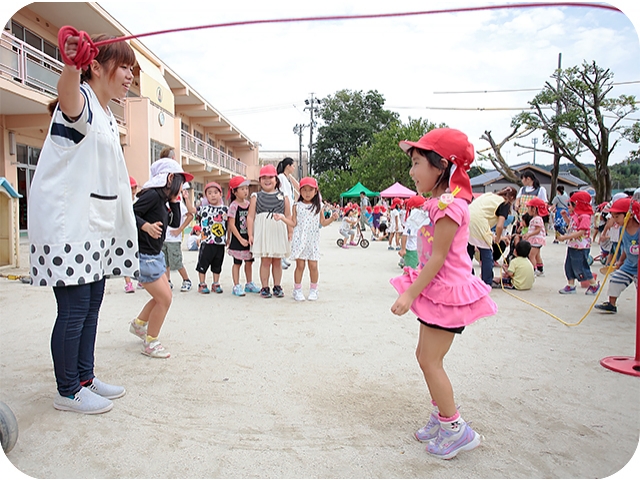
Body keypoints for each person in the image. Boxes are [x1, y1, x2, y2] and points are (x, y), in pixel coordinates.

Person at [28, 32, 139, 414]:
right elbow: (68, 96)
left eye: (131, 70)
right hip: (69, 229)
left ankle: (85, 377)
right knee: (74, 310)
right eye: (124, 66)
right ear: (96, 66)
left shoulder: (107, 114)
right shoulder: (81, 104)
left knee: (91, 305)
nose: (129, 76)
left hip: (95, 228)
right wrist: (72, 64)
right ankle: (68, 390)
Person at [390, 128, 496, 460]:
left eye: (418, 162)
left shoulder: (450, 205)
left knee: (430, 360)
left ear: (442, 166)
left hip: (448, 294)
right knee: (425, 356)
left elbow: (438, 258)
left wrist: (409, 296)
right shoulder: (439, 202)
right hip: (438, 292)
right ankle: (441, 417)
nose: (412, 171)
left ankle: (456, 428)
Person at [129, 159, 192, 359]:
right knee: (165, 299)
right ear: (170, 178)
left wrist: (175, 202)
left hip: (155, 255)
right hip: (146, 256)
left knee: (161, 297)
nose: (182, 187)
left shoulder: (163, 199)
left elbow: (173, 222)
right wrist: (145, 226)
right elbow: (129, 214)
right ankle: (151, 342)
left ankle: (139, 325)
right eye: (180, 181)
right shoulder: (152, 196)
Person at [274, 176, 339, 301]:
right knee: (300, 266)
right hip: (299, 239)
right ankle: (297, 290)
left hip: (312, 240)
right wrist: (282, 218)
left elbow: (322, 223)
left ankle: (314, 289)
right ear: (300, 190)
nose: (307, 193)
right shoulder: (296, 205)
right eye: (304, 190)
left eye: (310, 190)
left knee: (313, 266)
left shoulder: (319, 205)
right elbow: (293, 223)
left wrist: (332, 218)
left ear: (316, 191)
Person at [247, 164, 291, 298]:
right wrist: (250, 234)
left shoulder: (284, 196)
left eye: (270, 177)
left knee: (277, 261)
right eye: (264, 177)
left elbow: (288, 216)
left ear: (276, 180)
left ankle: (277, 286)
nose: (267, 180)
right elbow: (250, 216)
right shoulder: (256, 196)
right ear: (260, 180)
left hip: (278, 231)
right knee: (265, 261)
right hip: (263, 232)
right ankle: (265, 287)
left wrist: (290, 231)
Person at [594, 197, 639, 314]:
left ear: (630, 214)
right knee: (615, 280)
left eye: (617, 216)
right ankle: (611, 304)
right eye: (613, 216)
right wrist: (620, 261)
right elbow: (624, 247)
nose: (614, 220)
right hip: (629, 264)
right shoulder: (622, 229)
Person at [467, 187, 517, 285]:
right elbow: (499, 226)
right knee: (486, 253)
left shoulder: (489, 195)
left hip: (467, 217)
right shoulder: (505, 203)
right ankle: (487, 281)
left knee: (468, 251)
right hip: (480, 222)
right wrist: (498, 238)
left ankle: (467, 277)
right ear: (512, 197)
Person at [557, 190, 600, 295]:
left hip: (581, 246)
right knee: (569, 266)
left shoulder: (585, 216)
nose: (568, 206)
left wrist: (565, 237)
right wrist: (565, 217)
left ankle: (593, 284)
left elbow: (581, 231)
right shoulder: (575, 215)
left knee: (581, 266)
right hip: (573, 245)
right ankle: (571, 285)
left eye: (570, 204)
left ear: (577, 204)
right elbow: (572, 226)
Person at [226, 175, 261, 296]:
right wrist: (239, 239)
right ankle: (236, 285)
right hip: (238, 239)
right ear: (234, 191)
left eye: (246, 188)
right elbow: (231, 224)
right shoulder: (233, 206)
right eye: (242, 189)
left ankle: (249, 283)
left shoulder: (249, 204)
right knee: (237, 263)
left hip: (248, 237)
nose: (245, 191)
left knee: (249, 262)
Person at [195, 181, 228, 294]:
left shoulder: (225, 210)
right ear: (206, 196)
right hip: (207, 242)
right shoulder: (203, 208)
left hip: (220, 242)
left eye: (215, 192)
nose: (213, 195)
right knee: (203, 264)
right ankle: (202, 284)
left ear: (220, 194)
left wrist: (229, 238)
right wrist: (186, 199)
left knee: (217, 264)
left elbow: (229, 225)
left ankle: (215, 283)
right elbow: (192, 211)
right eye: (209, 193)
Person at [162, 184, 195, 292]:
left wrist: (180, 229)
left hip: (173, 239)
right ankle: (167, 281)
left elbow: (190, 215)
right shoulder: (164, 203)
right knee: (165, 262)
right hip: (163, 238)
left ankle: (186, 280)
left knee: (176, 262)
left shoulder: (179, 204)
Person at [277, 157, 299, 270]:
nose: (294, 168)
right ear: (288, 166)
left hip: (289, 207)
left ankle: (284, 257)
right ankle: (280, 258)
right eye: (293, 165)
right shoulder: (281, 177)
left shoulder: (287, 178)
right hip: (284, 208)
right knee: (283, 233)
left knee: (287, 235)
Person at [398, 195, 427, 269]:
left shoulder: (419, 218)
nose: (422, 209)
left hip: (417, 249)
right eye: (420, 207)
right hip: (412, 249)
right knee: (409, 272)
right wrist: (403, 249)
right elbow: (404, 235)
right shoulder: (411, 220)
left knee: (413, 271)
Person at [523, 197, 547, 276]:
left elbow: (538, 229)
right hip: (538, 240)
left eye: (529, 207)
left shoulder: (536, 218)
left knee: (531, 255)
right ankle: (540, 269)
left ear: (534, 209)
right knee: (537, 255)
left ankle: (533, 269)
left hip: (536, 240)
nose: (528, 209)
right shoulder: (537, 218)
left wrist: (529, 234)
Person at [124, 176, 139, 293]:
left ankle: (140, 279)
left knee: (139, 257)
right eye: (131, 188)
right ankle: (128, 283)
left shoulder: (137, 201)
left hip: (137, 232)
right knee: (126, 257)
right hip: (125, 232)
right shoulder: (123, 201)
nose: (133, 191)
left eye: (134, 188)